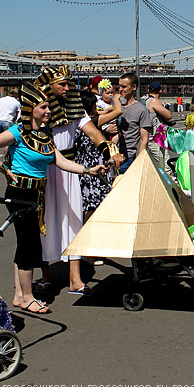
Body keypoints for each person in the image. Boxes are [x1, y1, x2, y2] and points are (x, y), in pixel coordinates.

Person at [0, 85, 107, 313]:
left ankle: (19, 295)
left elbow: (61, 162)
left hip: (37, 194)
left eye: (48, 107)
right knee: (29, 246)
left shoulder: (45, 134)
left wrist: (89, 170)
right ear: (30, 109)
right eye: (43, 107)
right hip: (20, 194)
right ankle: (27, 297)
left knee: (26, 245)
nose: (48, 111)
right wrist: (4, 169)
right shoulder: (18, 131)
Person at [34, 66, 123, 295]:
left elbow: (95, 134)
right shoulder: (38, 110)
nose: (67, 88)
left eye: (68, 84)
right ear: (48, 87)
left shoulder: (76, 109)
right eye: (61, 84)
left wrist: (110, 153)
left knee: (74, 221)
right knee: (44, 223)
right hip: (44, 170)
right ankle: (45, 274)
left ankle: (75, 278)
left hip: (71, 171)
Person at [76, 90, 123, 223]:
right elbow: (118, 111)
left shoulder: (76, 121)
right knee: (95, 200)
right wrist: (116, 99)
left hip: (82, 163)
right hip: (96, 162)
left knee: (85, 200)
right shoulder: (92, 121)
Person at [117, 72, 152, 174]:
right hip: (113, 156)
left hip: (129, 158)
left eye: (124, 87)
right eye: (119, 86)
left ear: (134, 87)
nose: (120, 89)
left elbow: (144, 139)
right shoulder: (117, 107)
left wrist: (139, 162)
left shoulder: (141, 110)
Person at [145, 81, 173, 165]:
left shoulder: (145, 100)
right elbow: (168, 115)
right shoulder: (153, 101)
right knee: (165, 163)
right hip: (155, 138)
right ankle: (168, 178)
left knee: (156, 163)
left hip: (149, 136)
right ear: (160, 91)